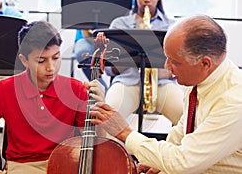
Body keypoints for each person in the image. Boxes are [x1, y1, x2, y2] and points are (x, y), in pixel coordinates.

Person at [90, 14, 242, 173]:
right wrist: (157, 161)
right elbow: (182, 131)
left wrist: (125, 132)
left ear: (205, 63)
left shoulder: (233, 102)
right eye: (166, 58)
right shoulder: (200, 79)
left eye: (174, 61)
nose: (166, 66)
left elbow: (183, 162)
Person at [0, 20, 105, 174]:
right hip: (23, 166)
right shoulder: (6, 89)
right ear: (24, 60)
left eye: (56, 58)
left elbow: (95, 143)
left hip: (65, 164)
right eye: (41, 61)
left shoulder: (76, 89)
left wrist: (100, 107)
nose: (51, 67)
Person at [105, 0, 184, 126]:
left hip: (162, 85)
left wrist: (166, 72)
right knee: (108, 118)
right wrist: (121, 62)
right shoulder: (119, 24)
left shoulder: (173, 27)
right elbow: (110, 69)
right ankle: (116, 150)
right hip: (127, 83)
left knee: (185, 117)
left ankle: (172, 150)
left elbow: (181, 64)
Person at [72, 0, 108, 90]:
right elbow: (76, 9)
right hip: (84, 38)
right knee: (82, 53)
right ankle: (103, 90)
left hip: (112, 36)